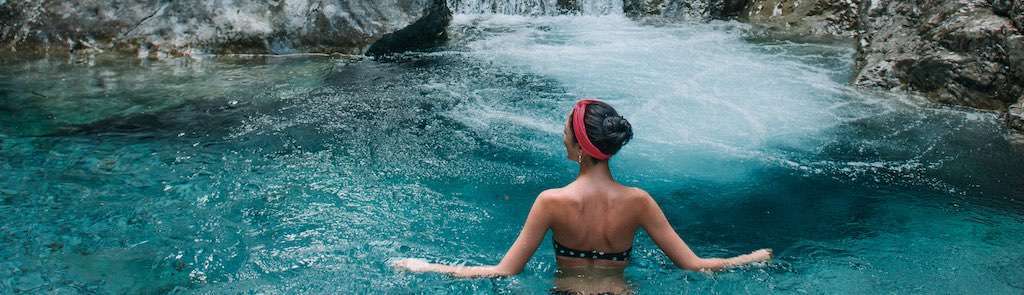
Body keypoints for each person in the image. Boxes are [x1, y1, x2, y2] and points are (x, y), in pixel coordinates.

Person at [392, 99, 772, 292]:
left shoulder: (551, 202)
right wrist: (751, 258)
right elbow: (693, 265)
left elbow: (503, 272)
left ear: (581, 147)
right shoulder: (639, 201)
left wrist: (426, 267)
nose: (562, 136)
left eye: (566, 131)